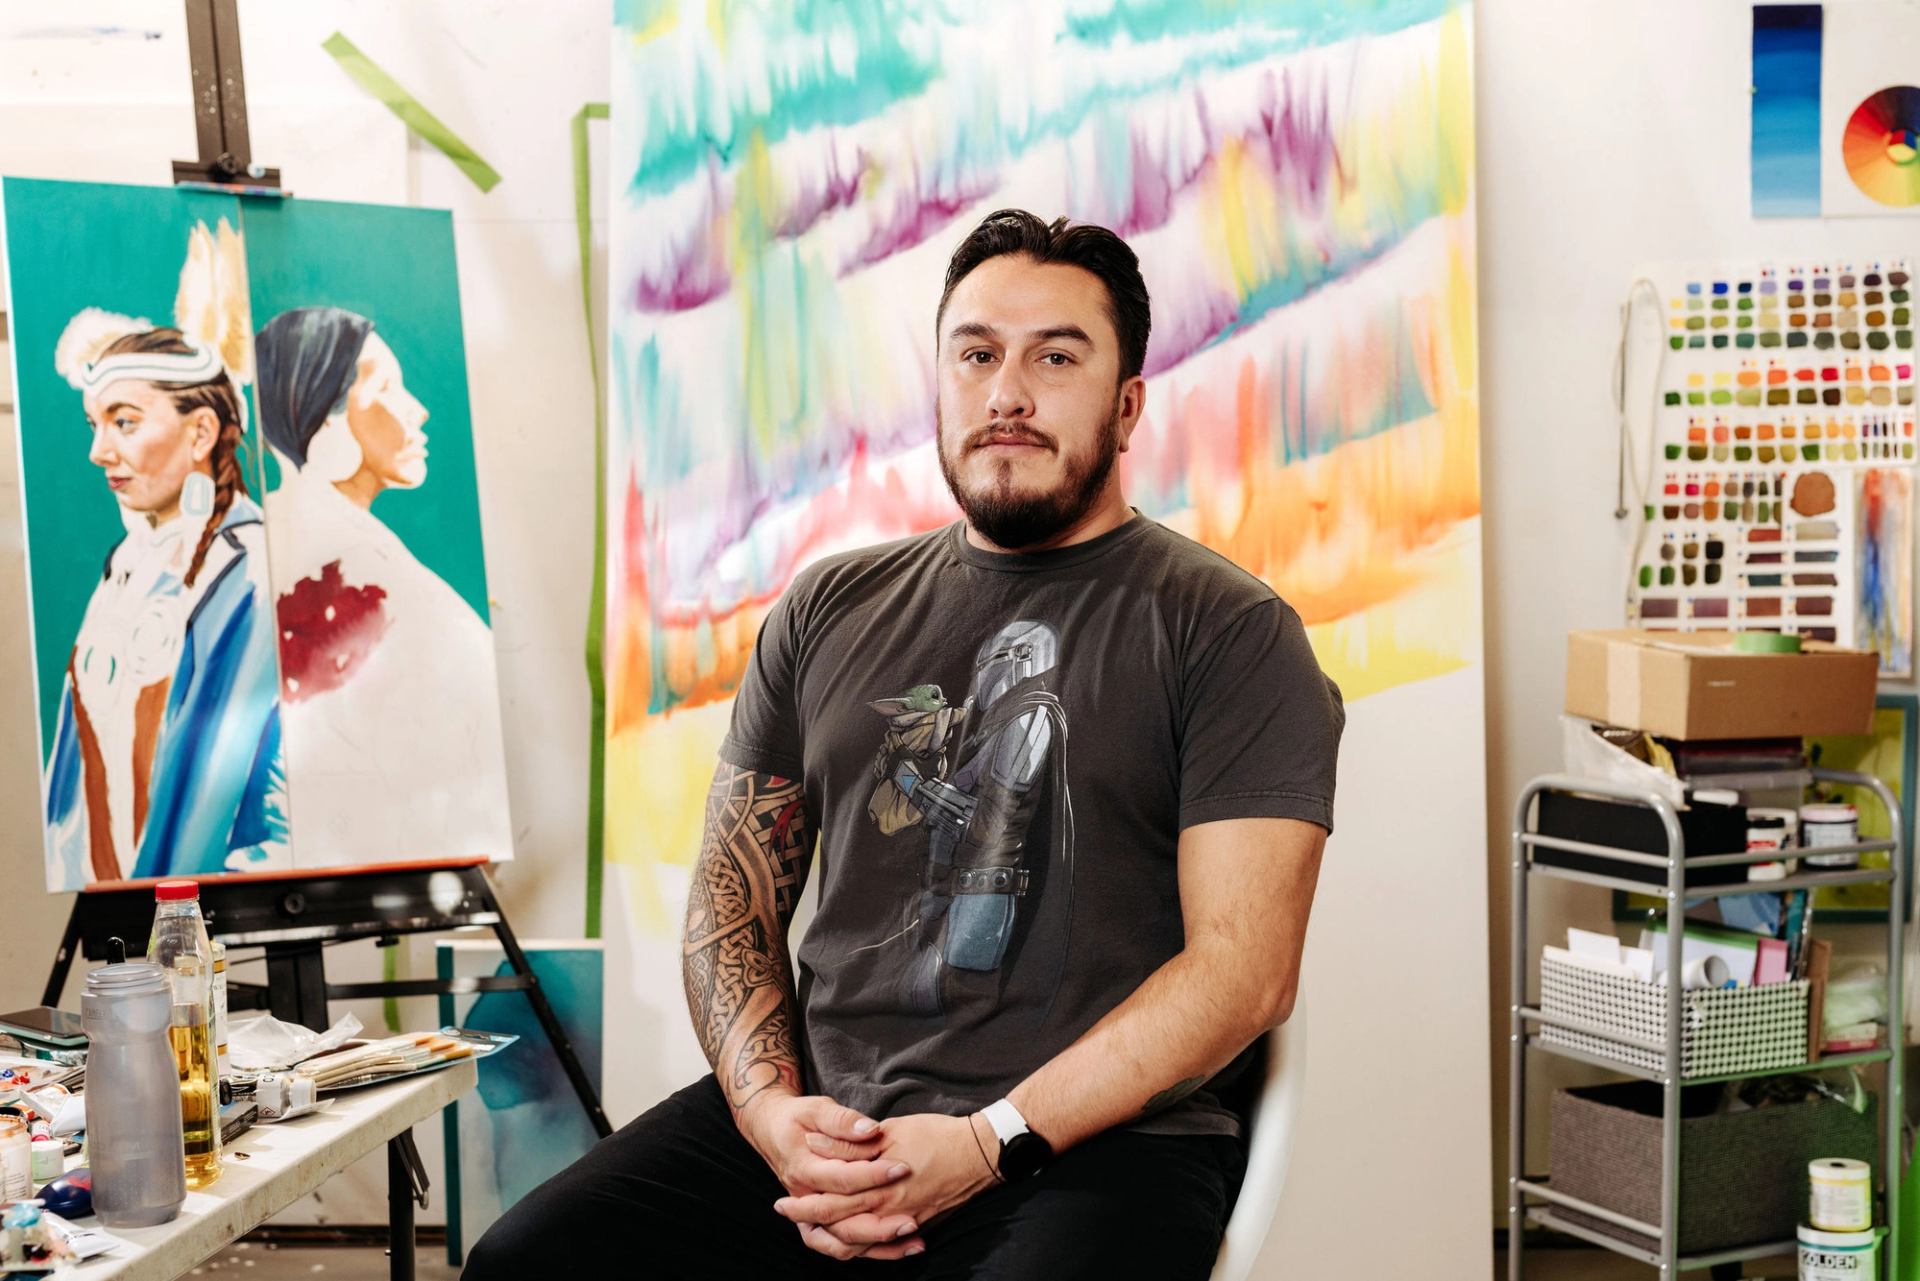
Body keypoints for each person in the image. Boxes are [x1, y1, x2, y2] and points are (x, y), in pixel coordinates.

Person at [465, 209, 1345, 1279]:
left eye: (1055, 357)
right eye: (976, 354)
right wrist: (771, 1116)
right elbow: (732, 902)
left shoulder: (1226, 630)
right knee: (525, 1266)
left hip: (1086, 1149)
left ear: (1126, 407)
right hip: (826, 1129)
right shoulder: (828, 607)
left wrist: (990, 1141)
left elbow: (1244, 975)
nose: (1007, 392)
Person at [251, 306, 512, 866]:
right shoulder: (346, 573)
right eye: (387, 389)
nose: (417, 410)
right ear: (326, 417)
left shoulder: (312, 541)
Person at [44, 317, 286, 885]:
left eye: (124, 423)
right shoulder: (125, 566)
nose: (99, 452)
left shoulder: (246, 567)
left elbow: (215, 779)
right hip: (121, 902)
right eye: (95, 426)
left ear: (200, 433)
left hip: (192, 903)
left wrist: (168, 920)